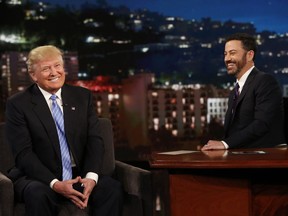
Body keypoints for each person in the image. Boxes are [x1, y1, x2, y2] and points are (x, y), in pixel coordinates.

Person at [5, 45, 122, 216]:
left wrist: (91, 177)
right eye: (46, 69)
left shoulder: (83, 97)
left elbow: (94, 140)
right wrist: (55, 183)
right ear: (33, 75)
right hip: (38, 176)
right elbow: (24, 154)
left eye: (57, 66)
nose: (54, 72)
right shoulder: (18, 104)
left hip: (79, 174)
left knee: (112, 189)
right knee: (38, 194)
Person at [202, 32, 286, 150]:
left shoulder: (265, 81)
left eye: (232, 53)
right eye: (225, 54)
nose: (227, 59)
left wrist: (225, 144)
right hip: (238, 157)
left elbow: (262, 124)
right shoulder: (234, 93)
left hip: (263, 160)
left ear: (250, 55)